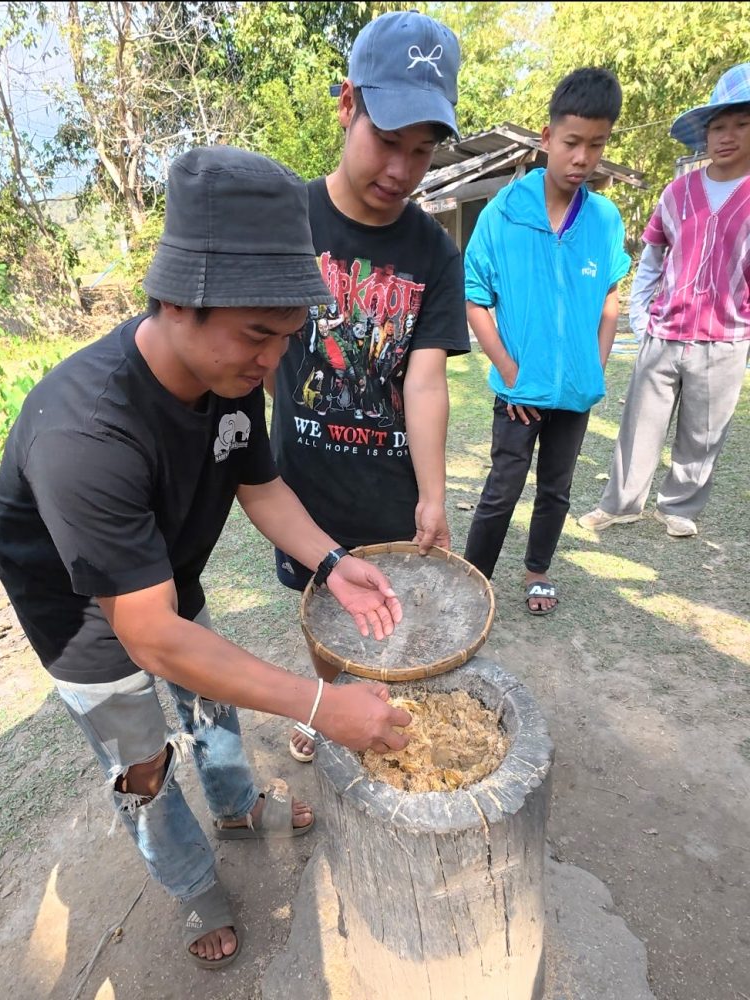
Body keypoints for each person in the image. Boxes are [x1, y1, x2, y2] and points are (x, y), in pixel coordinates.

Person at [0, 146, 412, 971]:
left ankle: (237, 804)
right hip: (86, 622)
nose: (271, 362)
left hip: (164, 579)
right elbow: (150, 638)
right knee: (142, 763)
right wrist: (322, 706)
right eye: (259, 335)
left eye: (288, 338)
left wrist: (332, 561)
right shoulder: (86, 433)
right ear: (177, 300)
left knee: (212, 705)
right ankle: (192, 886)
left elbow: (260, 485)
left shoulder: (230, 370)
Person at [264, 10, 470, 761]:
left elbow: (423, 379)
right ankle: (324, 705)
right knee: (323, 619)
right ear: (347, 104)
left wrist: (432, 494)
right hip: (304, 488)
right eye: (387, 141)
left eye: (420, 152)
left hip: (388, 496)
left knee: (386, 617)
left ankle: (377, 707)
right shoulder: (287, 218)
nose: (401, 171)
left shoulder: (432, 252)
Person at [463, 68, 631, 615]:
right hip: (519, 393)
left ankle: (537, 572)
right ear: (547, 138)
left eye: (597, 144)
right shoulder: (503, 213)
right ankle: (473, 580)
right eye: (572, 142)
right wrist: (511, 373)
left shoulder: (605, 219)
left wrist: (596, 364)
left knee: (555, 490)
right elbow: (475, 299)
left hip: (574, 394)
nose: (583, 158)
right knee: (502, 489)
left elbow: (610, 298)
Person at [579, 64, 750, 538]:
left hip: (727, 338)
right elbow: (652, 257)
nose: (727, 136)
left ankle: (679, 506)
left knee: (703, 432)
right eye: (718, 126)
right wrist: (641, 316)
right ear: (705, 134)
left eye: (741, 124)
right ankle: (621, 503)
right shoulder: (678, 191)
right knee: (639, 424)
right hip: (665, 330)